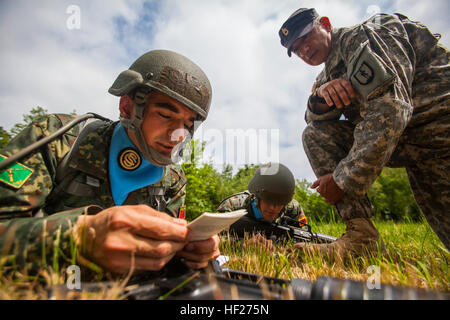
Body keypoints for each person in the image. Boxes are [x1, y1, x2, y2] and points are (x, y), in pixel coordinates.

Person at [0, 50, 220, 275]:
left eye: (188, 124)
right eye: (165, 115)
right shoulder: (56, 139)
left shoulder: (173, 180)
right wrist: (79, 239)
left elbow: (162, 256)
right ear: (127, 107)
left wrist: (190, 250)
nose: (179, 135)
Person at [278, 8, 449, 257]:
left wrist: (343, 180)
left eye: (305, 37)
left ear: (325, 24)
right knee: (315, 134)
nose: (303, 50)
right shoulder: (327, 74)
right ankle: (361, 237)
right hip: (417, 150)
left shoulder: (365, 38)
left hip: (439, 128)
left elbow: (392, 109)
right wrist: (321, 95)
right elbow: (313, 120)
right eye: (296, 48)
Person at [217, 163, 307, 239]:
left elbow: (304, 234)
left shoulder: (293, 209)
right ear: (256, 195)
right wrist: (242, 244)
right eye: (268, 201)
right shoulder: (232, 206)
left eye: (279, 203)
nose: (273, 208)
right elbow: (213, 238)